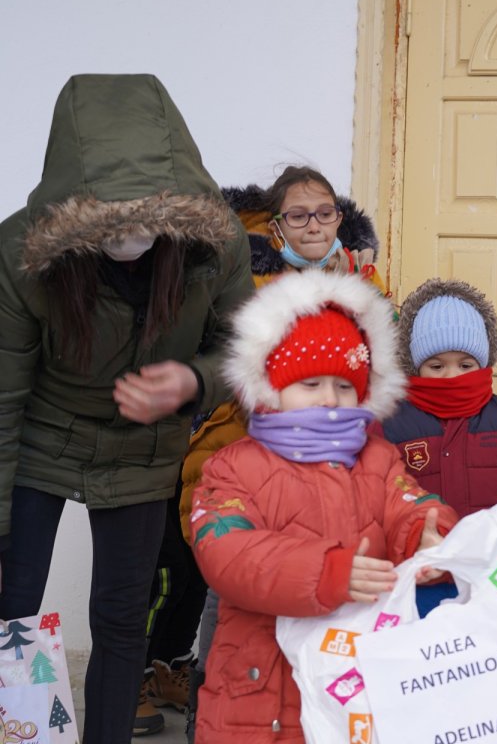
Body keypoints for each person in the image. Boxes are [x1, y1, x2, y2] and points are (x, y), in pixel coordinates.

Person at [0, 73, 254, 742]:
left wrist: (193, 383)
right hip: (40, 434)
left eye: (148, 214)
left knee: (120, 617)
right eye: (111, 218)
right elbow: (2, 396)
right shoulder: (22, 252)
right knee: (12, 609)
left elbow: (245, 348)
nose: (132, 232)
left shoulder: (215, 242)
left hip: (145, 445)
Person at [139, 165, 389, 737]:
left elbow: (378, 365)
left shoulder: (367, 283)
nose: (314, 226)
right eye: (298, 216)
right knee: (229, 585)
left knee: (329, 573)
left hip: (340, 457)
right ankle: (216, 694)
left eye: (325, 214)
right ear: (276, 227)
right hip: (251, 448)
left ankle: (319, 700)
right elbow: (227, 371)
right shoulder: (244, 286)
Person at [189, 269, 457, 743]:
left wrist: (428, 535)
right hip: (261, 693)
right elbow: (226, 553)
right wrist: (327, 573)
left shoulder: (377, 459)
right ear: (271, 387)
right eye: (310, 384)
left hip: (355, 686)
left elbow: (409, 503)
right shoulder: (233, 468)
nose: (330, 400)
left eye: (344, 385)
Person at [381, 278, 497, 614]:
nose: (451, 377)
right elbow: (377, 499)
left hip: (493, 580)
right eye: (437, 366)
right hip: (418, 582)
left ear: (483, 363)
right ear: (416, 365)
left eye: (465, 364)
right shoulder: (391, 423)